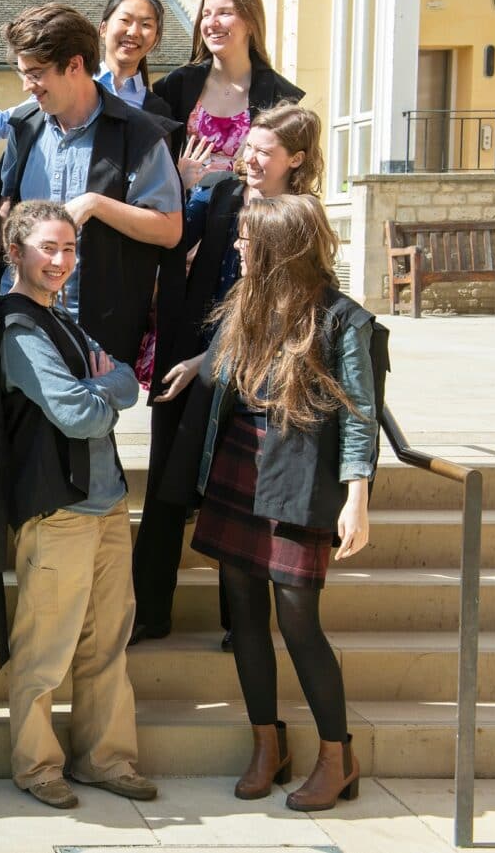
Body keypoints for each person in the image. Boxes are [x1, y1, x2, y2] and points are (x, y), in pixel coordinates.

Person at [156, 193, 376, 811]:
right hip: (240, 460)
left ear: (280, 247)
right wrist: (201, 364)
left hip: (304, 474)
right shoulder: (247, 306)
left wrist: (357, 496)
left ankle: (338, 756)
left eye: (248, 239)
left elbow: (360, 415)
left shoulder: (342, 320)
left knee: (299, 621)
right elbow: (231, 363)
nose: (236, 247)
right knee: (243, 611)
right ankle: (267, 745)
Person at [0, 200, 156, 811]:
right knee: (44, 648)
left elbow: (131, 380)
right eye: (47, 249)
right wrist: (102, 386)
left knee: (108, 642)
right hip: (59, 510)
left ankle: (105, 758)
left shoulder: (65, 319)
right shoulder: (19, 329)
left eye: (68, 248)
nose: (60, 261)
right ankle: (37, 766)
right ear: (15, 254)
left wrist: (103, 386)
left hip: (107, 505)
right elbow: (78, 413)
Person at [132, 104, 325, 644]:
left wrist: (209, 362)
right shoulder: (218, 196)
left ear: (297, 160)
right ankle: (150, 610)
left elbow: (283, 307)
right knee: (168, 487)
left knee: (236, 495)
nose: (251, 158)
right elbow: (168, 238)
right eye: (250, 147)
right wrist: (183, 185)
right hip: (189, 351)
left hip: (255, 365)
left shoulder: (300, 213)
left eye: (266, 151)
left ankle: (241, 624)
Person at [0, 3, 182, 364]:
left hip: (96, 337)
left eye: (35, 74)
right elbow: (5, 210)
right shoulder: (25, 125)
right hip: (21, 319)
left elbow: (170, 229)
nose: (26, 86)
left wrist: (95, 204)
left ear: (75, 65)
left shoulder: (140, 134)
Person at [0, 0, 175, 138]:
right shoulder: (63, 80)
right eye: (125, 20)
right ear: (102, 29)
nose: (133, 32)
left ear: (155, 39)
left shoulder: (158, 110)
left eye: (146, 25)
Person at [152, 0, 304, 190]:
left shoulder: (280, 97)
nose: (212, 23)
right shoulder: (174, 86)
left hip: (249, 213)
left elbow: (291, 173)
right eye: (206, 14)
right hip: (184, 212)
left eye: (224, 13)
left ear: (250, 22)